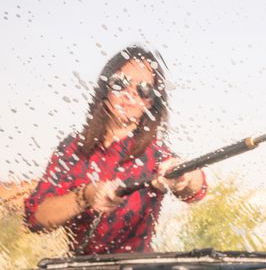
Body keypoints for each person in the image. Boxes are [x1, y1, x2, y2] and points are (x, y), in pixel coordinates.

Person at [24, 46, 207, 254]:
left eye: (144, 90)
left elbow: (197, 190)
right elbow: (35, 219)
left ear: (151, 103)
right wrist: (85, 196)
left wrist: (185, 176)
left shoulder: (155, 154)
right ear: (105, 88)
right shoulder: (73, 149)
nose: (130, 94)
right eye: (120, 83)